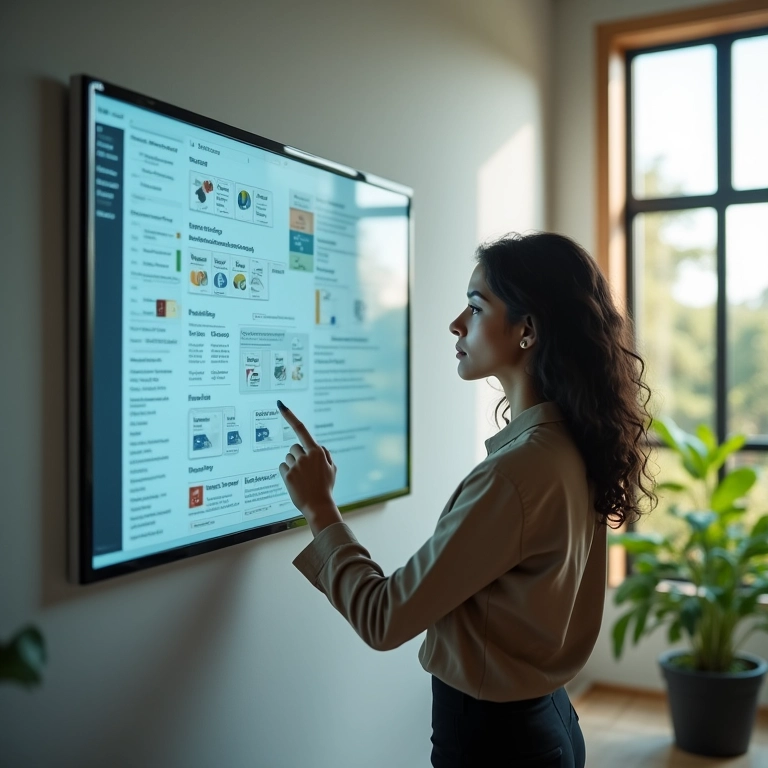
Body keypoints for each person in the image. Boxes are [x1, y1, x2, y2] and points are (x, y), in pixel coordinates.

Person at [277, 231, 657, 768]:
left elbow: (383, 618)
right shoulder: (573, 441)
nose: (457, 323)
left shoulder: (515, 474)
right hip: (547, 724)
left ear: (527, 330)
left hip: (497, 744)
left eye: (476, 307)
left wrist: (319, 508)